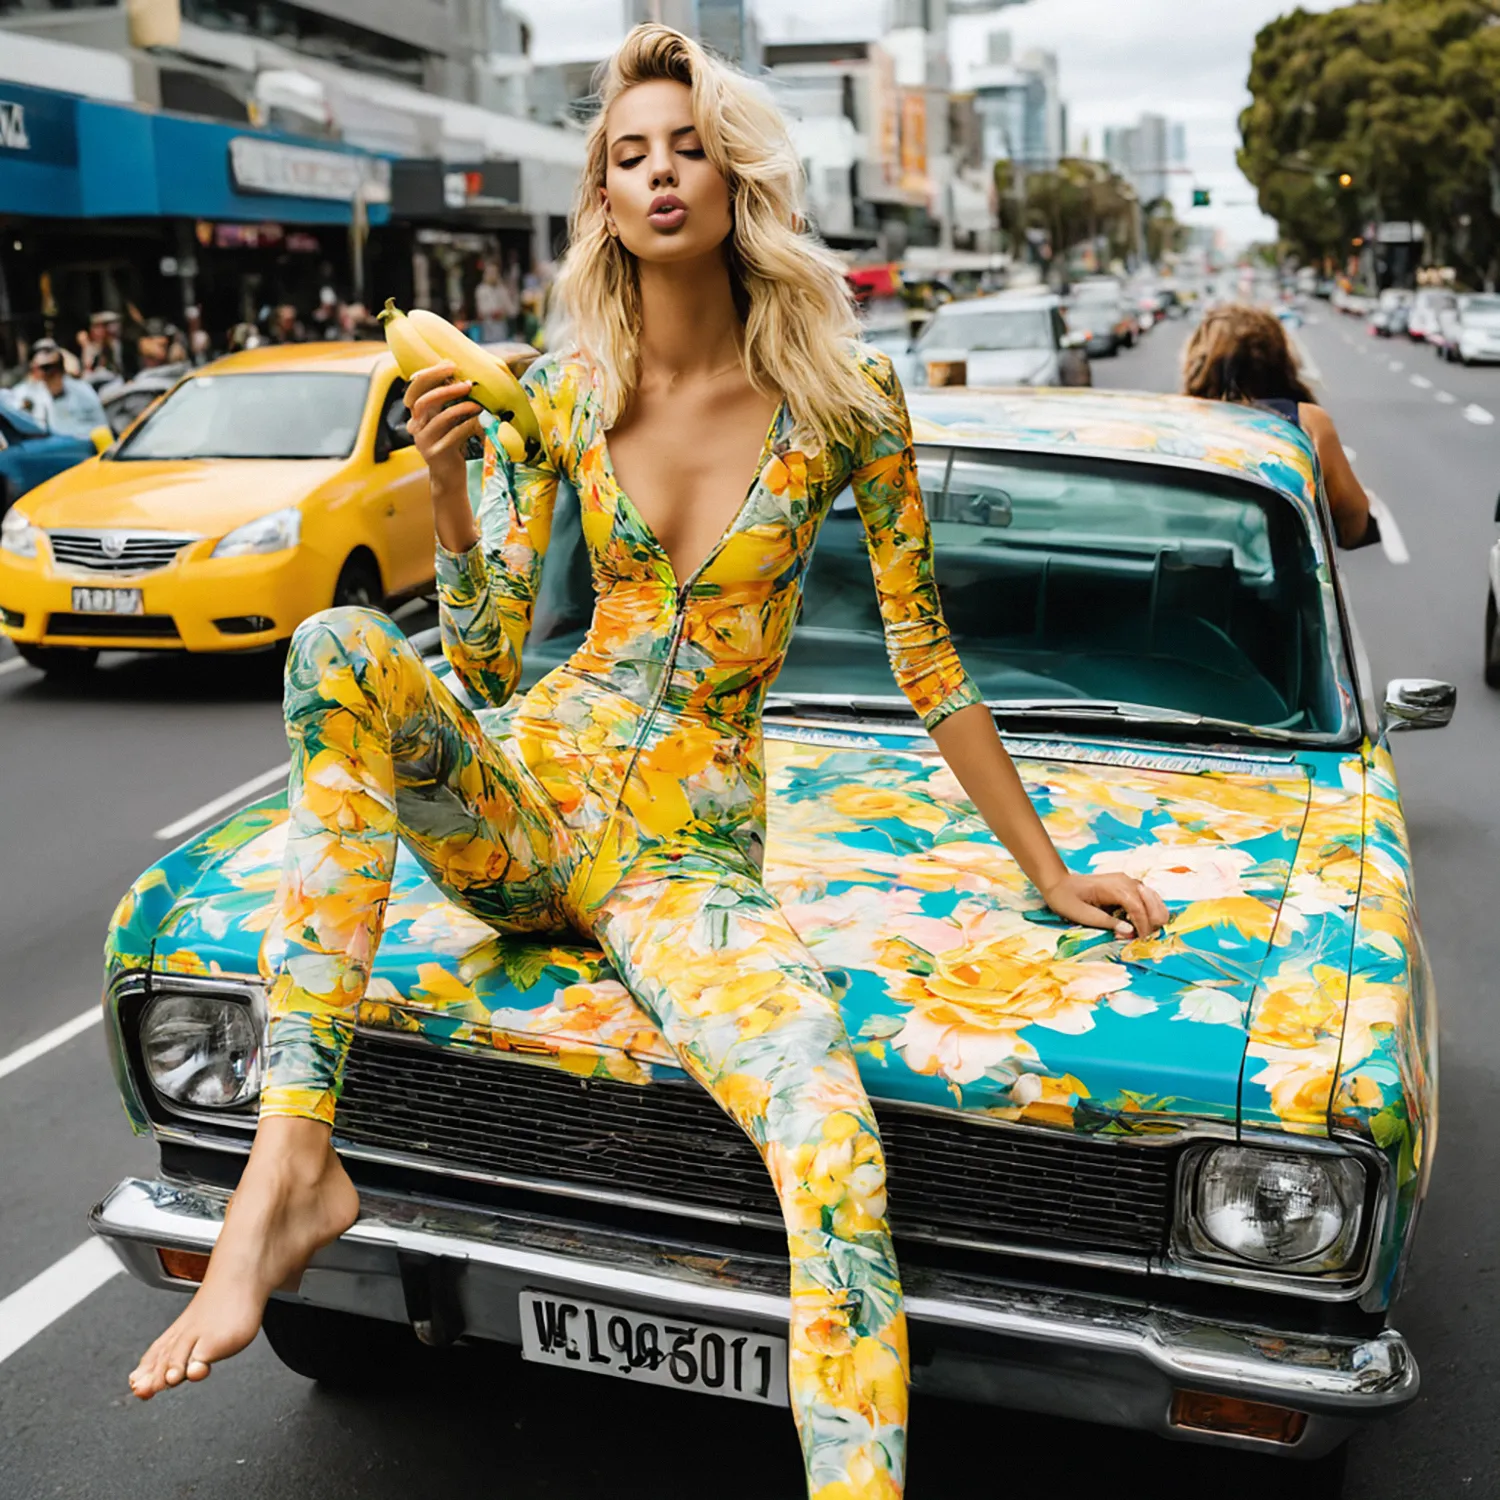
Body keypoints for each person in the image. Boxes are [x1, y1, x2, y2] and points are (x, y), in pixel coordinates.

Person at [126, 26, 1168, 1495]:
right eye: (629, 154)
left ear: (734, 177)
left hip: (685, 862)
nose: (661, 170)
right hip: (533, 805)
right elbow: (483, 666)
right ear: (603, 200)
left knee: (830, 1137)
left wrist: (1049, 872)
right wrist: (447, 484)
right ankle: (290, 1169)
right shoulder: (560, 392)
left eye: (687, 145)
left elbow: (930, 658)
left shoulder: (846, 406)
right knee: (336, 653)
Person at [1181, 302, 1377, 549]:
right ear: (1280, 359)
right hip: (1274, 585)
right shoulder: (1305, 423)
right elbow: (1353, 525)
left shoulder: (1174, 420)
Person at [10, 339, 107, 438]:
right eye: (44, 367)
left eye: (54, 366)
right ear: (34, 369)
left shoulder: (81, 389)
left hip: (82, 445)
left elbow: (100, 424)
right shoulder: (24, 393)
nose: (50, 372)